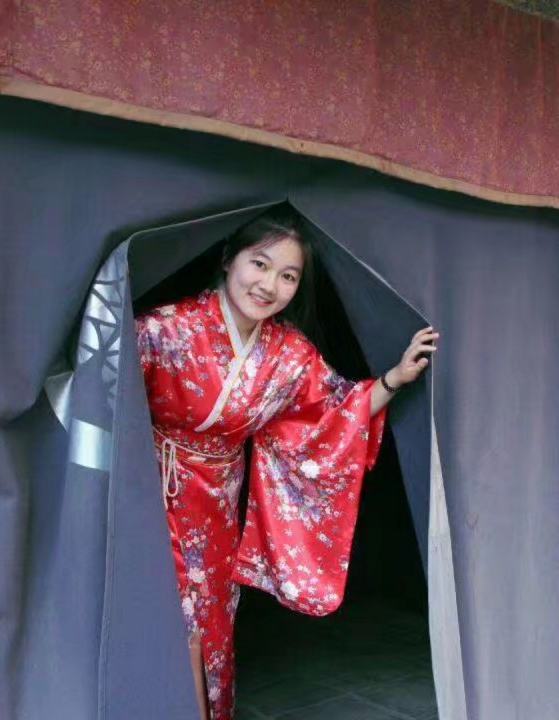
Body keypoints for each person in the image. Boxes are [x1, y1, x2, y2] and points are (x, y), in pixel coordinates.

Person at [135, 210, 438, 720]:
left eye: (288, 275)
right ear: (229, 258)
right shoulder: (161, 329)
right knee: (168, 619)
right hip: (148, 494)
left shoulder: (288, 353)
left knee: (211, 620)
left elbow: (333, 412)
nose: (269, 285)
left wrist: (394, 379)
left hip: (217, 503)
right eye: (260, 263)